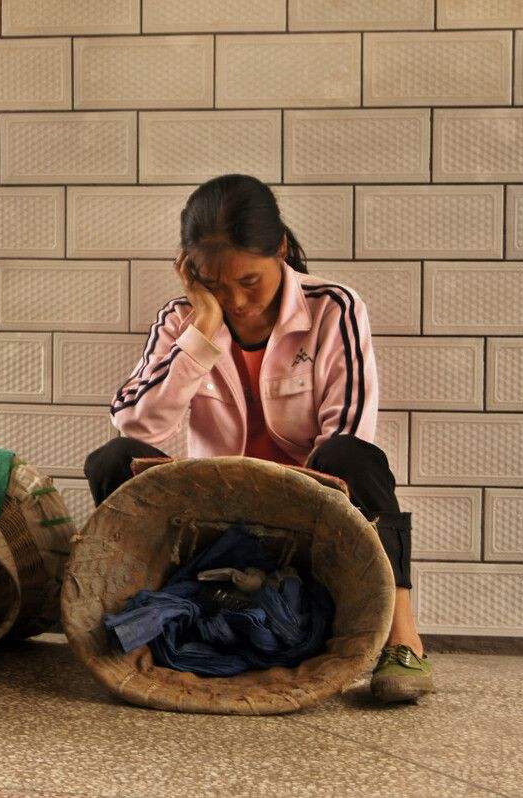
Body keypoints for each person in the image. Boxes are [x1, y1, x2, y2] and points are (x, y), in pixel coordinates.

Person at [83, 174, 433, 703]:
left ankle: (403, 640)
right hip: (216, 515)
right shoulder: (181, 320)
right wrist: (203, 330)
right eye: (215, 286)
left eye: (249, 281)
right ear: (191, 274)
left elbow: (348, 429)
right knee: (114, 460)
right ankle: (142, 628)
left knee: (356, 456)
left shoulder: (333, 307)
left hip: (311, 513)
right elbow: (137, 425)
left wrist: (289, 496)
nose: (237, 300)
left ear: (281, 250)